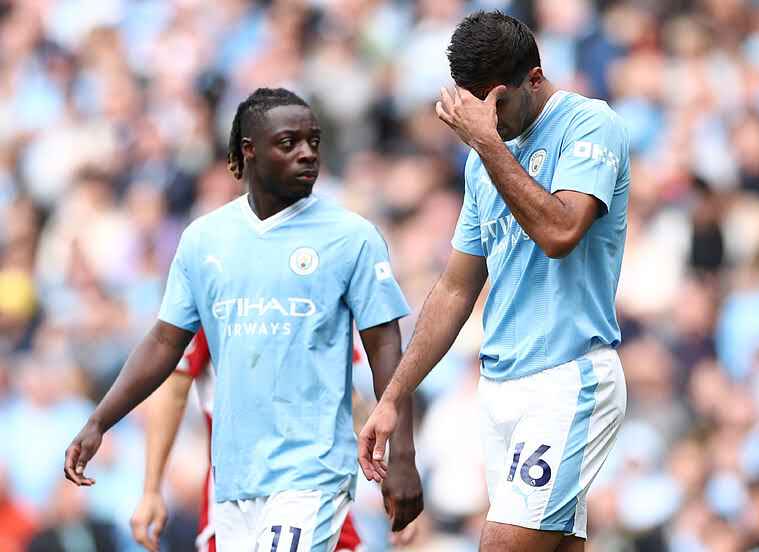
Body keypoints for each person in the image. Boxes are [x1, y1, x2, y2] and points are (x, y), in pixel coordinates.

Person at [65, 87, 423, 551]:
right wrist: (99, 422)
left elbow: (387, 349)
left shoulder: (350, 237)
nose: (307, 154)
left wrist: (404, 457)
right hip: (233, 483)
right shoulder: (204, 240)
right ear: (249, 150)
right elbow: (163, 345)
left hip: (311, 475)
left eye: (313, 142)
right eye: (289, 142)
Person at [358, 11, 630, 552]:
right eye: (475, 103)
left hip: (568, 375)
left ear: (534, 78)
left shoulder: (590, 125)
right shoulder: (484, 159)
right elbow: (457, 287)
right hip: (502, 388)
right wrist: (393, 396)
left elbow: (560, 231)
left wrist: (488, 145)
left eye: (497, 102)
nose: (487, 117)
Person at [129, 329, 364, 552]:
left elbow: (344, 393)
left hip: (316, 496)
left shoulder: (319, 291)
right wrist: (151, 488)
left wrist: (390, 470)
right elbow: (174, 384)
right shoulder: (211, 290)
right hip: (236, 509)